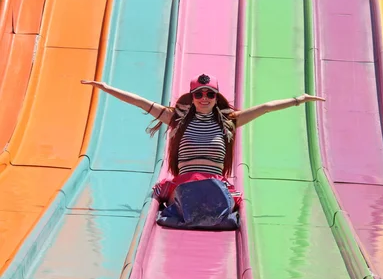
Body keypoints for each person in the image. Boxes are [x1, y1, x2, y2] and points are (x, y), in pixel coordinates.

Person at [81, 74, 325, 212]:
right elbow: (140, 103)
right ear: (192, 97)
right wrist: (106, 88)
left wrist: (298, 99)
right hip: (185, 183)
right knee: (189, 193)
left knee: (218, 195)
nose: (204, 98)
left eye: (210, 94)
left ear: (216, 97)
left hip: (214, 183)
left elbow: (266, 108)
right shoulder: (176, 119)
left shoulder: (228, 121)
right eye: (199, 94)